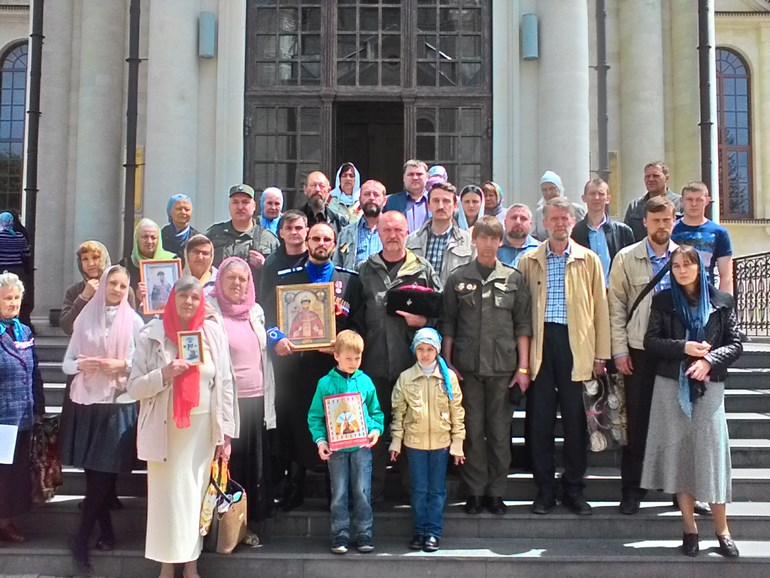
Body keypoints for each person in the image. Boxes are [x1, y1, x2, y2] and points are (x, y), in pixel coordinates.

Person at [127, 276, 238, 578]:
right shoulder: (152, 333)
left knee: (195, 498)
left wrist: (226, 433)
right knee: (167, 500)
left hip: (202, 429)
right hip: (165, 430)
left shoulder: (213, 333)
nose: (189, 302)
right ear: (172, 299)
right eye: (183, 296)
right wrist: (164, 373)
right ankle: (166, 566)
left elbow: (225, 384)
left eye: (195, 297)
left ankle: (190, 565)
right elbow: (133, 387)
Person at [642, 246, 742, 558]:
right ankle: (689, 530)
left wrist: (710, 360)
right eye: (676, 265)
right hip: (672, 384)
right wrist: (685, 348)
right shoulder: (663, 301)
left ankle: (722, 530)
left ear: (699, 267)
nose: (682, 270)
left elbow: (736, 343)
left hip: (709, 387)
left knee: (712, 457)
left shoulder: (721, 301)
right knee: (681, 457)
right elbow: (651, 341)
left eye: (688, 264)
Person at [518, 197, 611, 516]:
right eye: (554, 219)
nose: (559, 223)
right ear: (544, 223)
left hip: (577, 346)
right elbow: (521, 313)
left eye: (565, 219)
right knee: (540, 423)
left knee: (576, 424)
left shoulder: (589, 260)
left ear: (573, 222)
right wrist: (522, 360)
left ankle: (574, 488)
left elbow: (601, 308)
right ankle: (544, 489)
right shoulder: (529, 260)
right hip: (541, 347)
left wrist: (602, 354)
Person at [347, 210, 442, 500]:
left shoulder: (422, 268)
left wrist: (423, 323)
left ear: (407, 233)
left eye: (398, 230)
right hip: (372, 368)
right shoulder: (365, 270)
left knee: (412, 432)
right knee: (372, 434)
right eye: (386, 230)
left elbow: (443, 313)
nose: (392, 235)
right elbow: (354, 318)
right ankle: (370, 495)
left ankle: (412, 494)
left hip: (412, 367)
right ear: (378, 233)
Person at [263, 222, 358, 511]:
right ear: (307, 240)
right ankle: (294, 487)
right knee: (297, 426)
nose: (321, 242)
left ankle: (336, 491)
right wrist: (277, 339)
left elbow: (359, 325)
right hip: (296, 368)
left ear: (334, 243)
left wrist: (340, 343)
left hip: (332, 367)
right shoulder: (287, 278)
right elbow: (265, 319)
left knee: (334, 426)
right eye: (315, 237)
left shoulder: (350, 280)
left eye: (326, 238)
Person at [441, 216, 532, 515]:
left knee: (499, 432)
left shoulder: (513, 278)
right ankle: (476, 491)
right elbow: (449, 324)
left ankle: (496, 492)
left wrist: (522, 368)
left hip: (502, 369)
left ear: (500, 242)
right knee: (471, 430)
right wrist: (448, 363)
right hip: (466, 369)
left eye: (494, 238)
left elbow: (523, 326)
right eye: (484, 238)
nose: (489, 244)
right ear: (474, 240)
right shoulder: (457, 278)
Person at [59, 265, 144, 571]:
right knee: (97, 473)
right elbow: (66, 364)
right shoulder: (85, 318)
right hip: (88, 402)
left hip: (119, 403)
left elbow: (142, 363)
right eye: (113, 284)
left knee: (104, 471)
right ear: (104, 285)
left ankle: (81, 537)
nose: (118, 290)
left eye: (123, 286)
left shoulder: (134, 321)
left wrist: (122, 366)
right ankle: (105, 531)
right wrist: (83, 364)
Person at [608, 196, 678, 515]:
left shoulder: (685, 257)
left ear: (673, 221)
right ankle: (632, 489)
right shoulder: (626, 257)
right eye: (655, 220)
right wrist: (619, 350)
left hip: (676, 352)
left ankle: (681, 490)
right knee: (637, 423)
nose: (661, 225)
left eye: (666, 220)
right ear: (645, 223)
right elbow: (616, 307)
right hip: (638, 351)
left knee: (677, 423)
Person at [207, 257, 275, 545]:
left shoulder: (256, 311)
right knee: (226, 464)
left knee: (252, 466)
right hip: (225, 402)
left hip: (256, 400)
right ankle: (219, 528)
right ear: (220, 281)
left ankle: (245, 525)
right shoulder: (210, 312)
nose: (237, 283)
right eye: (231, 278)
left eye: (243, 278)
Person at [307, 330, 384, 555]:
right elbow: (315, 416)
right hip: (337, 450)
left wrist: (375, 431)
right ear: (336, 356)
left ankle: (364, 532)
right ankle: (339, 532)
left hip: (361, 448)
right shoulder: (325, 383)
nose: (353, 363)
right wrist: (321, 441)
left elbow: (375, 412)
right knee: (339, 491)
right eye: (348, 358)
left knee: (362, 490)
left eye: (357, 358)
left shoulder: (366, 382)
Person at [390, 327, 464, 553]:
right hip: (415, 444)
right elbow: (398, 412)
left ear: (437, 351)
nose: (425, 354)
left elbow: (457, 411)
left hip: (441, 444)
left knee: (437, 490)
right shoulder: (406, 378)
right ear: (414, 350)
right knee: (420, 489)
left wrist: (457, 443)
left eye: (430, 349)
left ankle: (433, 532)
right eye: (420, 349)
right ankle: (419, 530)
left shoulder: (448, 378)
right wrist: (395, 441)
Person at [0, 272, 44, 544]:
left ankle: (8, 519)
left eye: (16, 298)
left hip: (24, 416)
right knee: (2, 473)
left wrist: (39, 406)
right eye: (7, 298)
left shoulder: (24, 330)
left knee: (15, 472)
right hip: (2, 419)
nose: (13, 303)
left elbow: (35, 371)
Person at [205, 183, 280, 292]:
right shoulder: (214, 234)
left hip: (255, 302)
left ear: (254, 206)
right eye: (235, 202)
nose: (240, 207)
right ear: (229, 206)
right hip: (218, 301)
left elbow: (279, 275)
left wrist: (264, 266)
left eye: (245, 202)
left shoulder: (268, 239)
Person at [61, 241, 137, 336]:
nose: (91, 263)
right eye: (85, 259)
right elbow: (66, 327)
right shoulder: (73, 291)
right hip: (84, 348)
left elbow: (132, 326)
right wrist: (84, 297)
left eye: (95, 257)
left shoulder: (123, 290)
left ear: (104, 259)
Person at [406, 182, 474, 285]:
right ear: (428, 205)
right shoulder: (411, 240)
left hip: (453, 300)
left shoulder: (468, 241)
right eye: (436, 201)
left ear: (455, 205)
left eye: (446, 201)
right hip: (420, 299)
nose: (441, 206)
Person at [672, 181, 733, 294]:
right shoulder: (670, 230)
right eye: (689, 199)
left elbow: (726, 276)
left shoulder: (719, 233)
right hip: (674, 296)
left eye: (699, 200)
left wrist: (724, 305)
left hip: (707, 297)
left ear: (707, 201)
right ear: (681, 201)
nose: (694, 204)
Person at [571, 178, 635, 286]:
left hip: (615, 293)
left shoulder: (623, 231)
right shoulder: (575, 232)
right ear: (584, 198)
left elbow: (631, 266)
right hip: (585, 292)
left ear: (608, 198)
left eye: (601, 194)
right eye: (592, 194)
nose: (596, 197)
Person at [121, 218, 178, 312]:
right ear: (136, 239)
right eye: (145, 237)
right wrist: (135, 297)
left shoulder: (172, 261)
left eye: (153, 237)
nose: (149, 241)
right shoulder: (125, 265)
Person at [624, 161, 683, 242]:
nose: (651, 179)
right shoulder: (635, 206)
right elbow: (626, 237)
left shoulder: (680, 203)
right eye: (647, 176)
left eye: (656, 176)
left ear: (667, 178)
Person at [260, 209, 309, 307]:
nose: (294, 232)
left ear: (307, 231)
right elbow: (264, 298)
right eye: (289, 228)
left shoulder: (315, 260)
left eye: (298, 228)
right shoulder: (271, 262)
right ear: (281, 233)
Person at [334, 180, 386, 270]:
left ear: (384, 201)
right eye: (367, 194)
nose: (371, 198)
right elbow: (337, 267)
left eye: (376, 195)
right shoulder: (345, 233)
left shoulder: (394, 232)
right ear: (359, 200)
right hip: (354, 282)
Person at [532, 171, 586, 241]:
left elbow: (583, 233)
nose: (548, 193)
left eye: (552, 188)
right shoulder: (539, 212)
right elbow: (536, 236)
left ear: (559, 188)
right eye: (544, 190)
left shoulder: (575, 209)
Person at [0, 212, 33, 327]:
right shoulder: (19, 236)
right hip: (17, 269)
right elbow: (27, 253)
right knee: (17, 294)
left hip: (1, 269)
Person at [383, 159, 430, 233]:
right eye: (410, 174)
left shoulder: (436, 200)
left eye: (419, 174)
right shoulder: (389, 201)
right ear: (404, 178)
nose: (415, 178)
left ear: (427, 177)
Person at [160, 194, 198, 263]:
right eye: (179, 209)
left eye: (187, 209)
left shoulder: (197, 238)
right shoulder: (161, 236)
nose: (183, 212)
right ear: (170, 211)